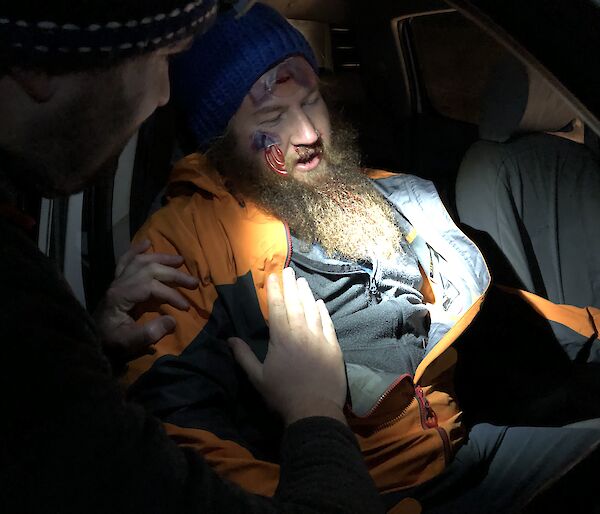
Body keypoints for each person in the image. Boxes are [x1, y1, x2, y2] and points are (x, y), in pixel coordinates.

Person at [128, 4, 600, 513]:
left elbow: (495, 317)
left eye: (312, 101)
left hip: (466, 452)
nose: (309, 133)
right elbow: (185, 441)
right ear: (220, 139)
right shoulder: (181, 243)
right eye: (273, 117)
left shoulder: (371, 194)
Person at [0, 2, 385, 513]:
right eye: (163, 57)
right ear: (39, 67)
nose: (165, 96)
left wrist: (92, 341)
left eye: (313, 101)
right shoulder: (21, 314)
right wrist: (314, 409)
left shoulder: (25, 294)